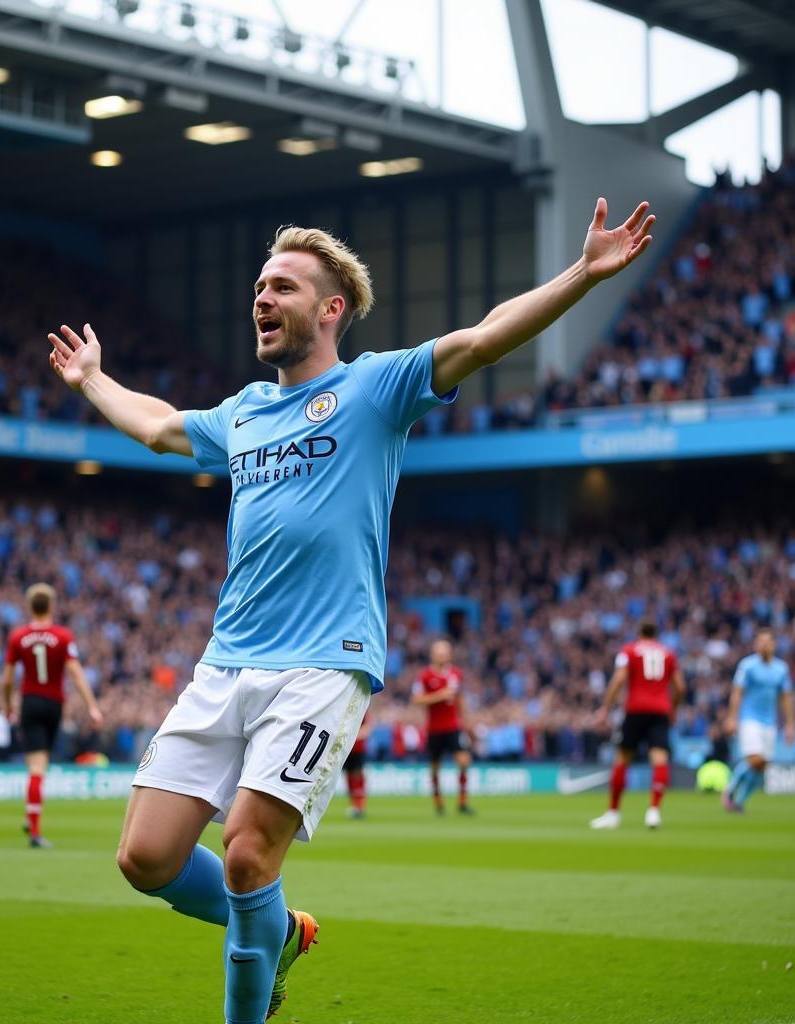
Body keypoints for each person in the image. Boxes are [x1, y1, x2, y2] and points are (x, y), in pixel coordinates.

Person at [48, 197, 654, 1024]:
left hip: (325, 662)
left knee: (246, 854)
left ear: (330, 309)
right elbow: (156, 427)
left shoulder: (376, 387)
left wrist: (584, 272)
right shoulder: (242, 413)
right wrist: (92, 380)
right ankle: (278, 934)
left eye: (283, 287)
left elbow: (483, 337)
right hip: (227, 661)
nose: (262, 298)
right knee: (144, 857)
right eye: (259, 285)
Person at [1, 582, 103, 848]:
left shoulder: (17, 636)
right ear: (52, 606)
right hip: (54, 704)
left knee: (35, 766)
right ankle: (31, 813)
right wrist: (92, 705)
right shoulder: (62, 636)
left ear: (29, 606)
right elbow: (75, 673)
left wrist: (8, 706)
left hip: (30, 702)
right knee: (40, 766)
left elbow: (7, 679)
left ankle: (33, 824)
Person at [591, 621, 684, 830]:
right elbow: (680, 687)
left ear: (639, 632)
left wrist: (606, 707)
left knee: (622, 758)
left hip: (635, 710)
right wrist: (674, 710)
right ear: (656, 633)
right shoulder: (668, 653)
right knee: (659, 759)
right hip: (660, 711)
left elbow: (619, 679)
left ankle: (613, 813)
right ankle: (654, 811)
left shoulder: (629, 650)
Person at [722, 628, 794, 813]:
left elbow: (786, 697)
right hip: (749, 719)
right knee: (755, 760)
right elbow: (737, 692)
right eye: (760, 641)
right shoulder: (747, 666)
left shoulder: (781, 669)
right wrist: (732, 718)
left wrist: (790, 724)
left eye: (768, 641)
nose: (764, 645)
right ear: (755, 645)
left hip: (770, 722)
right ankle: (730, 789)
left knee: (762, 766)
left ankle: (739, 801)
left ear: (774, 645)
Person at [412, 639, 475, 816]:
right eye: (440, 652)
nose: (443, 655)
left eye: (445, 652)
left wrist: (466, 722)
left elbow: (460, 699)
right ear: (433, 655)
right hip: (434, 729)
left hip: (453, 726)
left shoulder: (456, 673)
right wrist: (440, 695)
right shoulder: (424, 676)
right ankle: (438, 801)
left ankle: (462, 802)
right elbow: (417, 699)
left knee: (464, 761)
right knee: (435, 766)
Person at [342, 717, 371, 819]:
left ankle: (360, 806)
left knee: (358, 778)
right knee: (349, 778)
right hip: (346, 750)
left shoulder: (362, 710)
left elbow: (367, 728)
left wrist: (352, 736)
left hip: (358, 751)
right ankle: (354, 805)